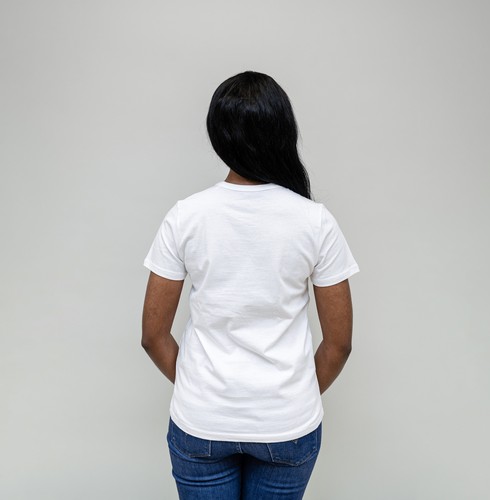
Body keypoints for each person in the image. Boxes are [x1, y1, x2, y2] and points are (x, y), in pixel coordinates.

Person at [141, 70, 360, 500]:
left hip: (202, 421)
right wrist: (290, 399)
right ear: (282, 131)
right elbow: (339, 344)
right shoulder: (315, 221)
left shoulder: (186, 216)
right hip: (287, 425)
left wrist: (200, 390)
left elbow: (153, 336)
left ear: (218, 135)